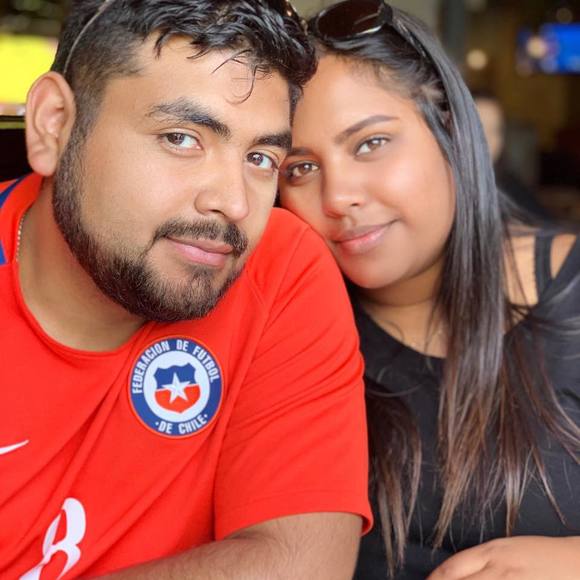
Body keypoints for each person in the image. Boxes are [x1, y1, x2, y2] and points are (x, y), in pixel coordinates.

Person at [0, 1, 373, 578]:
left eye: (260, 158)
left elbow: (301, 563)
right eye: (181, 138)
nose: (234, 202)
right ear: (54, 124)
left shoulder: (278, 266)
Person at [278, 1, 580, 579]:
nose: (337, 197)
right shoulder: (285, 338)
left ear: (450, 129)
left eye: (370, 143)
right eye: (301, 168)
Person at [472, 90, 550, 220]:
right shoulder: (443, 189)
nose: (488, 140)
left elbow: (543, 223)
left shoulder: (510, 187)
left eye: (495, 130)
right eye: (479, 129)